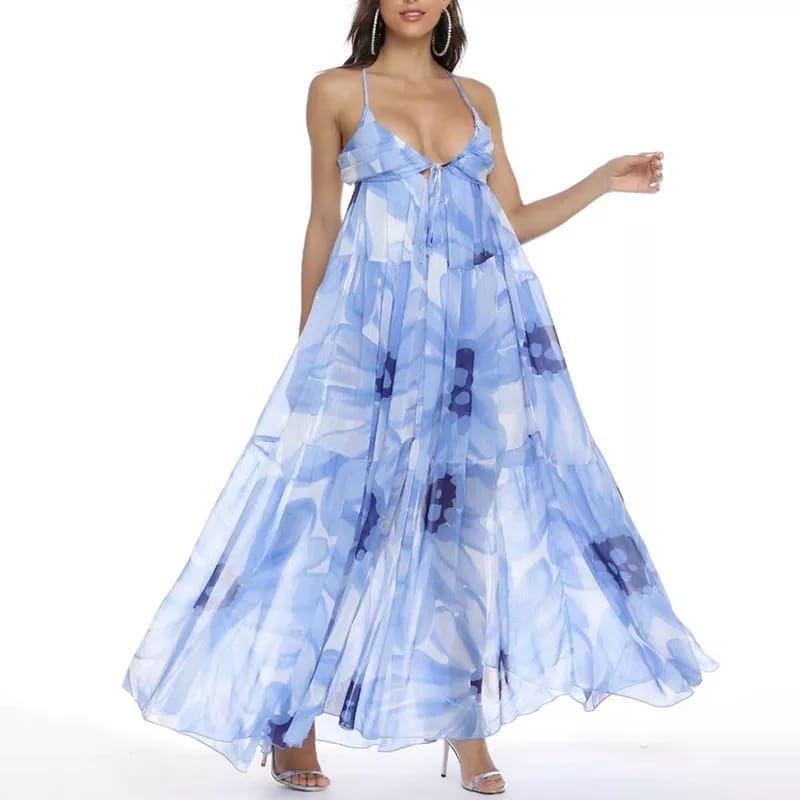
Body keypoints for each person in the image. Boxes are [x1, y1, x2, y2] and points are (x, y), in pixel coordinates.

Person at [122, 0, 719, 794]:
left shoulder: (478, 98)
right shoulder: (338, 91)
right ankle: (291, 726)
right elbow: (323, 224)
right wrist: (311, 348)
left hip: (475, 346)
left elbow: (508, 220)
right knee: (329, 523)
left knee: (462, 531)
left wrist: (601, 182)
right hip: (368, 346)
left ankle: (465, 729)